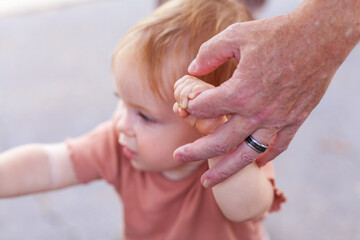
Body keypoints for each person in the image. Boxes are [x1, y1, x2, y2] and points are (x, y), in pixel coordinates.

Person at [0, 0, 285, 239]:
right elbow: (50, 165)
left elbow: (247, 208)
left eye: (144, 117)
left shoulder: (241, 150)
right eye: (121, 101)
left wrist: (219, 140)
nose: (122, 123)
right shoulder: (118, 143)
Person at [173, 0, 360, 188]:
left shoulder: (237, 165)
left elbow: (246, 206)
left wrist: (216, 131)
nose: (140, 135)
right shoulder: (144, 166)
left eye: (147, 117)